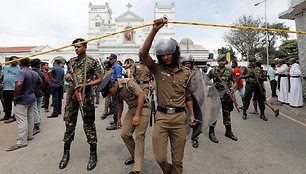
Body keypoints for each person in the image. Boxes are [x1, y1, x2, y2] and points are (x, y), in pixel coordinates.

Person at [141, 18, 196, 174]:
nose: (165, 57)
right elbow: (144, 54)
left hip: (179, 119)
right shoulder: (157, 70)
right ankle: (168, 171)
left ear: (175, 52)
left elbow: (188, 96)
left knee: (178, 161)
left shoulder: (186, 73)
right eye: (162, 55)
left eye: (168, 53)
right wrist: (154, 30)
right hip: (162, 118)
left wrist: (191, 116)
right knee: (160, 158)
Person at [59, 38, 102, 171]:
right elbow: (67, 75)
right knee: (69, 125)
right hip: (72, 97)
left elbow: (100, 79)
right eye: (75, 47)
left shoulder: (92, 62)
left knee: (89, 125)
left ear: (85, 47)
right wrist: (67, 77)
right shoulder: (71, 61)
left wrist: (87, 84)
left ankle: (93, 154)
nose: (76, 49)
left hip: (86, 98)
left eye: (79, 47)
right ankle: (66, 154)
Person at [100, 76, 151, 174]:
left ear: (113, 86)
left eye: (110, 92)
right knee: (125, 134)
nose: (110, 95)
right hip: (132, 108)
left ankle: (137, 169)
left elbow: (141, 95)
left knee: (139, 136)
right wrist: (118, 119)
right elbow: (120, 103)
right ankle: (135, 155)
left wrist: (137, 115)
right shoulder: (116, 90)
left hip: (144, 107)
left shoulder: (127, 84)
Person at [6, 58, 42, 151]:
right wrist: (33, 89)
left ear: (20, 64)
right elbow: (40, 83)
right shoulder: (34, 73)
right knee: (30, 117)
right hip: (31, 97)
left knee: (22, 120)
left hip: (22, 99)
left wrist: (15, 96)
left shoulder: (21, 72)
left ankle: (22, 141)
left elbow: (18, 84)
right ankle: (29, 136)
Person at [207, 54, 238, 143]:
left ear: (225, 61)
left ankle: (228, 132)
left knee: (227, 114)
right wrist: (213, 84)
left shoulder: (229, 71)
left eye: (223, 60)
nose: (221, 62)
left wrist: (232, 88)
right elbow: (206, 80)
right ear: (217, 62)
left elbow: (235, 81)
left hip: (227, 96)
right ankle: (211, 133)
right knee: (214, 114)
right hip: (216, 96)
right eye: (220, 61)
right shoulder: (213, 71)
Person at [180, 54, 200, 148]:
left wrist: (200, 96)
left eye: (189, 63)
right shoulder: (180, 71)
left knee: (195, 116)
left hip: (195, 95)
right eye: (185, 63)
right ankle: (184, 134)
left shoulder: (196, 71)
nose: (187, 65)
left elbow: (200, 83)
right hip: (183, 96)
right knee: (183, 115)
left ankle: (195, 137)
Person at [0, 56, 20, 123]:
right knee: (6, 103)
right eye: (15, 60)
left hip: (14, 88)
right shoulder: (5, 68)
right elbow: (2, 76)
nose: (17, 61)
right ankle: (7, 116)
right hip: (6, 88)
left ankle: (14, 116)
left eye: (17, 60)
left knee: (16, 103)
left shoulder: (19, 68)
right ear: (10, 61)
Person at [106, 53, 123, 130]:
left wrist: (117, 90)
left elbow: (119, 78)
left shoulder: (117, 67)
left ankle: (117, 123)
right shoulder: (114, 66)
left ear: (115, 59)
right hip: (113, 87)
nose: (110, 60)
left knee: (115, 105)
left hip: (115, 88)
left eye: (111, 59)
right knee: (113, 104)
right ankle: (115, 120)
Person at [31, 59, 45, 135]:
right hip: (39, 93)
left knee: (35, 109)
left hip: (33, 94)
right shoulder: (41, 74)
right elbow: (43, 83)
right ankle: (38, 122)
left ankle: (36, 125)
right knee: (38, 109)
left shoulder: (30, 73)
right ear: (38, 65)